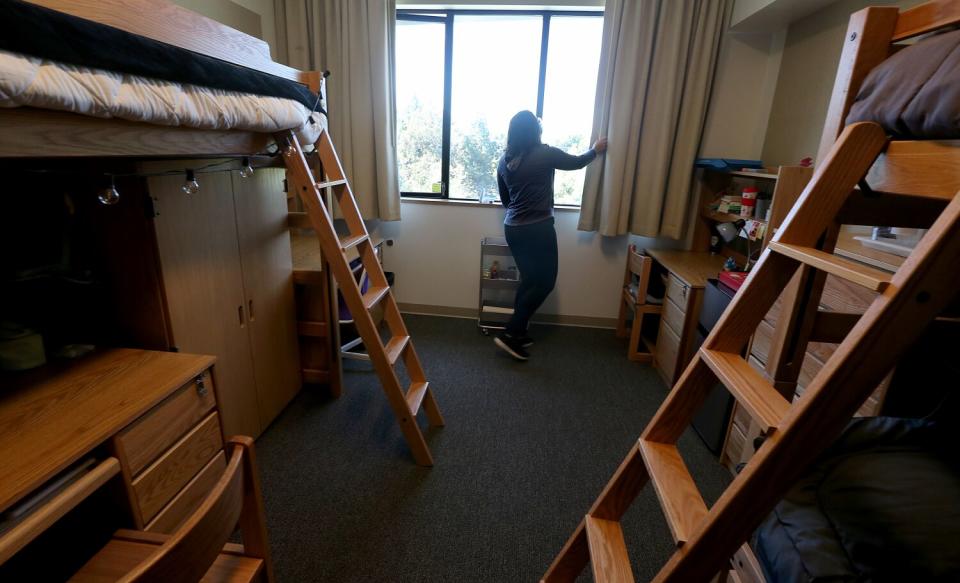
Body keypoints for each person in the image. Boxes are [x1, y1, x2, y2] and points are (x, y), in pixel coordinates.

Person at [493, 110, 607, 361]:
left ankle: (518, 331)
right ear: (536, 131)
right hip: (538, 228)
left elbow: (505, 200)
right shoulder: (544, 153)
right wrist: (596, 150)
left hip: (513, 228)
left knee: (530, 281)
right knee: (544, 282)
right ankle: (511, 331)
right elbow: (576, 162)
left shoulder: (504, 161)